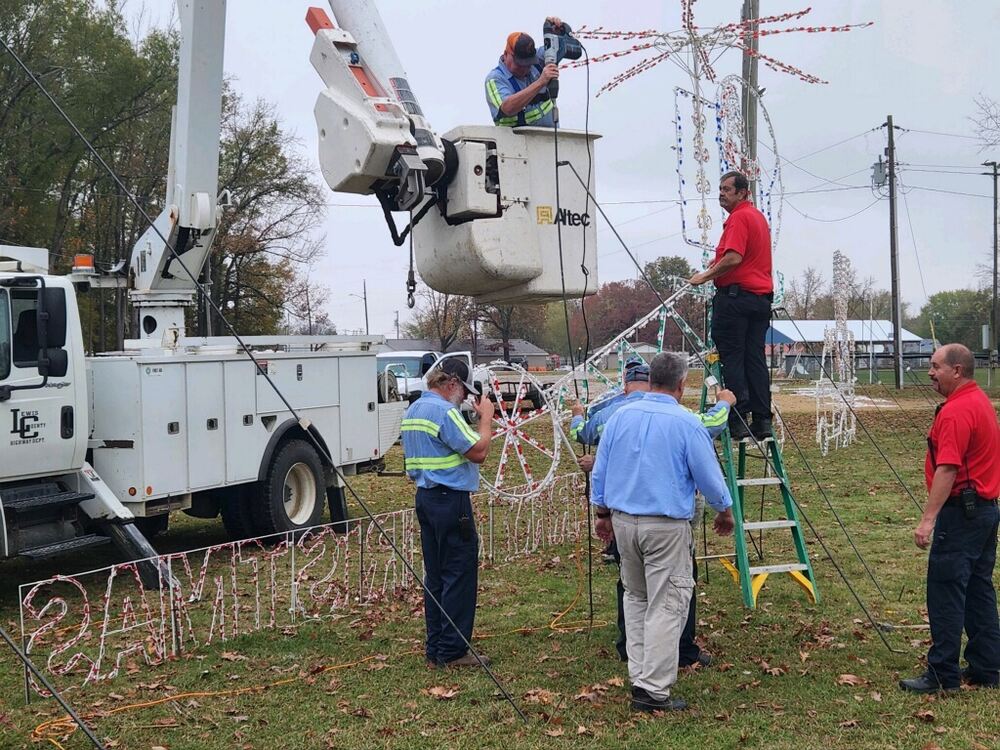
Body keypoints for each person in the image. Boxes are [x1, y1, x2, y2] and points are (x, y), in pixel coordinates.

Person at [591, 352, 735, 713]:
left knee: (636, 598)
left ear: (650, 379)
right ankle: (653, 689)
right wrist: (725, 510)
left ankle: (640, 675)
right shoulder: (686, 423)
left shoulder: (620, 417)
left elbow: (601, 471)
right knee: (667, 605)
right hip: (665, 526)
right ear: (682, 386)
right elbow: (709, 476)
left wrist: (602, 513)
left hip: (624, 522)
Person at [900, 344, 1000, 693]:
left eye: (935, 366)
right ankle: (988, 666)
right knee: (977, 587)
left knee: (946, 590)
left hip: (962, 514)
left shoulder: (958, 411)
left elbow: (948, 467)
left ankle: (942, 673)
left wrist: (928, 519)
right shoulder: (981, 402)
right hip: (986, 510)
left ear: (957, 370)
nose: (930, 372)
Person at [400, 357, 495, 669]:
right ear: (452, 383)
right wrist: (486, 419)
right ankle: (453, 651)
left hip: (426, 500)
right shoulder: (443, 411)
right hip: (450, 502)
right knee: (459, 573)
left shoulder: (415, 409)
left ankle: (437, 645)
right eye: (464, 390)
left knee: (436, 575)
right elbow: (478, 451)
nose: (466, 397)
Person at [688, 171, 773, 441]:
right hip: (759, 300)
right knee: (755, 359)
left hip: (736, 300)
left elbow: (733, 258)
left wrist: (705, 275)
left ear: (742, 193)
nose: (721, 194)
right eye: (720, 188)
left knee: (733, 358)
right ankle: (762, 420)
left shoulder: (739, 218)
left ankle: (737, 418)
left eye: (727, 189)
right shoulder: (758, 218)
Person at [484, 20, 563, 128]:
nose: (525, 68)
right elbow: (508, 108)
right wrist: (540, 82)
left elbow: (561, 47)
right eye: (520, 64)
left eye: (528, 63)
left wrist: (558, 32)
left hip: (549, 140)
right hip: (516, 142)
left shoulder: (538, 59)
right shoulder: (495, 79)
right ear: (506, 54)